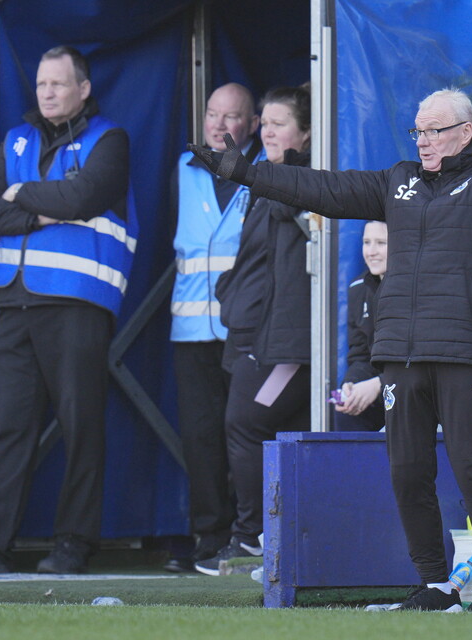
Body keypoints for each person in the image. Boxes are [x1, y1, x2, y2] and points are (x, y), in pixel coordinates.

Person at [190, 87, 472, 611]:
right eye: (418, 131)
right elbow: (321, 188)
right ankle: (435, 582)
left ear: (466, 132)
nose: (424, 141)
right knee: (407, 471)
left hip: (463, 351)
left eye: (434, 131)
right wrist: (244, 171)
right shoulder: (398, 182)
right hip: (401, 355)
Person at [0, 46, 137, 574]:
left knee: (81, 427)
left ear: (84, 88)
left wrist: (21, 193)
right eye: (41, 85)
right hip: (12, 301)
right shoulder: (16, 138)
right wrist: (41, 212)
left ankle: (73, 545)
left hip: (77, 301)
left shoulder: (109, 139)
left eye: (58, 84)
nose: (47, 93)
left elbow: (85, 198)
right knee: (6, 427)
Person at [194, 85, 313, 576]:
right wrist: (230, 292)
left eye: (278, 123)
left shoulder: (296, 179)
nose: (266, 130)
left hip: (287, 345)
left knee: (246, 423)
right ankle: (260, 535)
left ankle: (251, 538)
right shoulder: (266, 179)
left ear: (305, 134)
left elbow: (304, 216)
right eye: (264, 122)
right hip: (250, 333)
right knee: (247, 427)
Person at [167, 82, 262, 572]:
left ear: (251, 124)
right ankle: (209, 536)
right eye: (212, 114)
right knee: (200, 436)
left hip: (243, 329)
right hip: (190, 329)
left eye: (231, 117)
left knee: (241, 433)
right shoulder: (184, 170)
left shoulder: (264, 174)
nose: (219, 125)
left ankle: (252, 535)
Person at [333, 220, 388, 431]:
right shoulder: (358, 287)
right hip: (382, 385)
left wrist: (379, 385)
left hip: (417, 390)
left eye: (381, 243)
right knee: (346, 407)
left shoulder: (421, 288)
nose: (371, 252)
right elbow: (361, 355)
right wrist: (352, 384)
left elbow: (425, 362)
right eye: (366, 242)